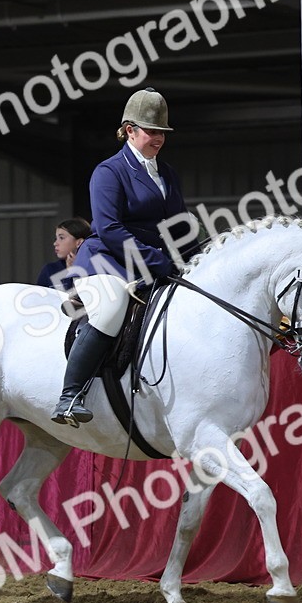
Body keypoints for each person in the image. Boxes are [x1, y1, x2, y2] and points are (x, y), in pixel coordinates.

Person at [51, 87, 189, 426]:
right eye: (151, 131)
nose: (159, 138)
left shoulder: (166, 173)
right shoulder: (109, 171)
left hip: (150, 259)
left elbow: (178, 224)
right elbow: (110, 229)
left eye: (163, 133)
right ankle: (69, 396)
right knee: (112, 306)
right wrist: (157, 262)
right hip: (107, 259)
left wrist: (194, 257)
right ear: (130, 130)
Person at [36, 218, 91, 292]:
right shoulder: (49, 270)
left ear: (79, 242)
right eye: (56, 238)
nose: (55, 243)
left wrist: (74, 273)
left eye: (61, 238)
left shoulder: (92, 268)